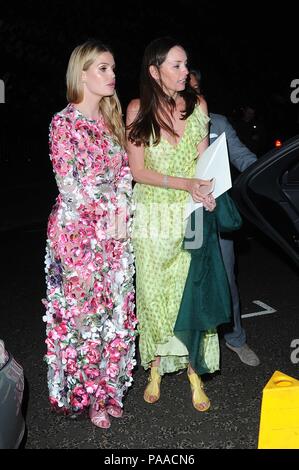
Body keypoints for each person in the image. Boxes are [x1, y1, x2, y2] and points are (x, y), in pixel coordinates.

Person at [126, 37, 232, 412]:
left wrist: (205, 190)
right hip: (153, 214)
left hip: (190, 213)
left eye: (186, 64)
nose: (185, 71)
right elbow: (138, 171)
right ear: (155, 71)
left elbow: (204, 165)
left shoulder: (199, 105)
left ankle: (193, 372)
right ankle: (156, 367)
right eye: (176, 65)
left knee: (191, 294)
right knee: (156, 295)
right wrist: (185, 183)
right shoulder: (138, 109)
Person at [42, 40, 137, 429]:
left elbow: (126, 172)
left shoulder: (111, 120)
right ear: (81, 74)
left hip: (115, 235)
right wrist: (113, 210)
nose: (112, 75)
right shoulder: (63, 123)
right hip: (79, 238)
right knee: (86, 319)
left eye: (113, 68)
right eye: (103, 68)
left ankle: (111, 390)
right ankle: (89, 396)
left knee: (116, 314)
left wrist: (125, 207)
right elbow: (71, 186)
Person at [189, 69, 260, 366]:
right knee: (189, 283)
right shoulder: (167, 126)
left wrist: (267, 175)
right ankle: (190, 349)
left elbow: (243, 157)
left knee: (226, 279)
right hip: (186, 217)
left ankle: (235, 338)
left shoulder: (217, 123)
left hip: (217, 215)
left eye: (194, 88)